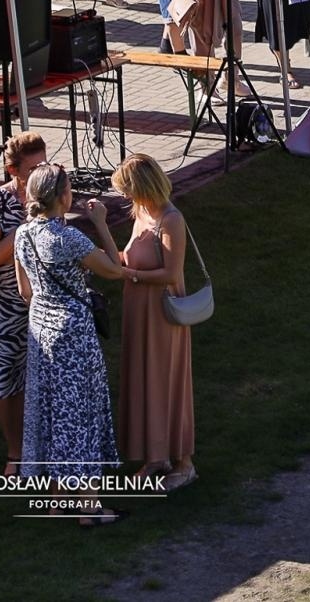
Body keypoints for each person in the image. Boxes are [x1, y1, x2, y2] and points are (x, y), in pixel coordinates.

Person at [13, 163, 131, 525]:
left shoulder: (22, 235)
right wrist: (100, 223)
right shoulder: (69, 239)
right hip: (73, 334)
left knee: (51, 412)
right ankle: (90, 508)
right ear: (62, 196)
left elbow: (25, 291)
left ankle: (57, 501)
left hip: (41, 329)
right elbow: (116, 269)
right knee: (80, 414)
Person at [112, 154, 197, 491]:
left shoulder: (171, 219)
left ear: (143, 187)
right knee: (144, 380)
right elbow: (127, 256)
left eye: (128, 190)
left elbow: (170, 274)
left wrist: (127, 275)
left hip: (162, 313)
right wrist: (103, 243)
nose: (126, 198)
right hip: (138, 309)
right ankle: (155, 457)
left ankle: (184, 463)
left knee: (166, 382)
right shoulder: (141, 213)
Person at [0, 131, 47, 475]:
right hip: (7, 307)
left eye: (44, 164)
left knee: (45, 377)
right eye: (33, 167)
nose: (40, 173)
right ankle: (15, 452)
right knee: (7, 380)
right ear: (12, 169)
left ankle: (44, 447)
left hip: (46, 305)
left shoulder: (51, 194)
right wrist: (23, 230)